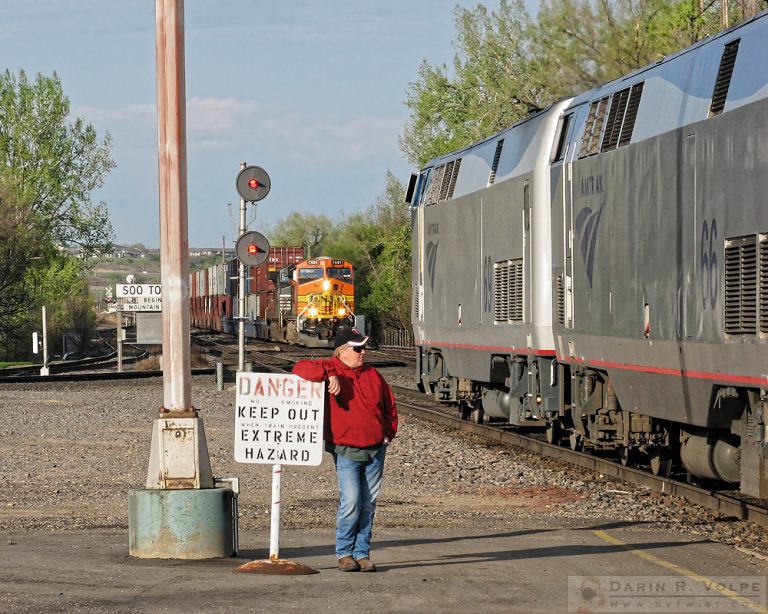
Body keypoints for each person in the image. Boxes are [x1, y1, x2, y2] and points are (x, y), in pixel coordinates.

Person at [292, 327, 398, 572]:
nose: (363, 353)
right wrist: (329, 373)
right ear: (341, 352)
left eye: (363, 348)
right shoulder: (332, 368)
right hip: (346, 449)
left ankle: (362, 553)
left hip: (375, 449)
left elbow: (389, 406)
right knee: (351, 501)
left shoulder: (372, 374)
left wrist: (387, 435)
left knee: (368, 503)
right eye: (357, 348)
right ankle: (344, 553)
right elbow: (299, 369)